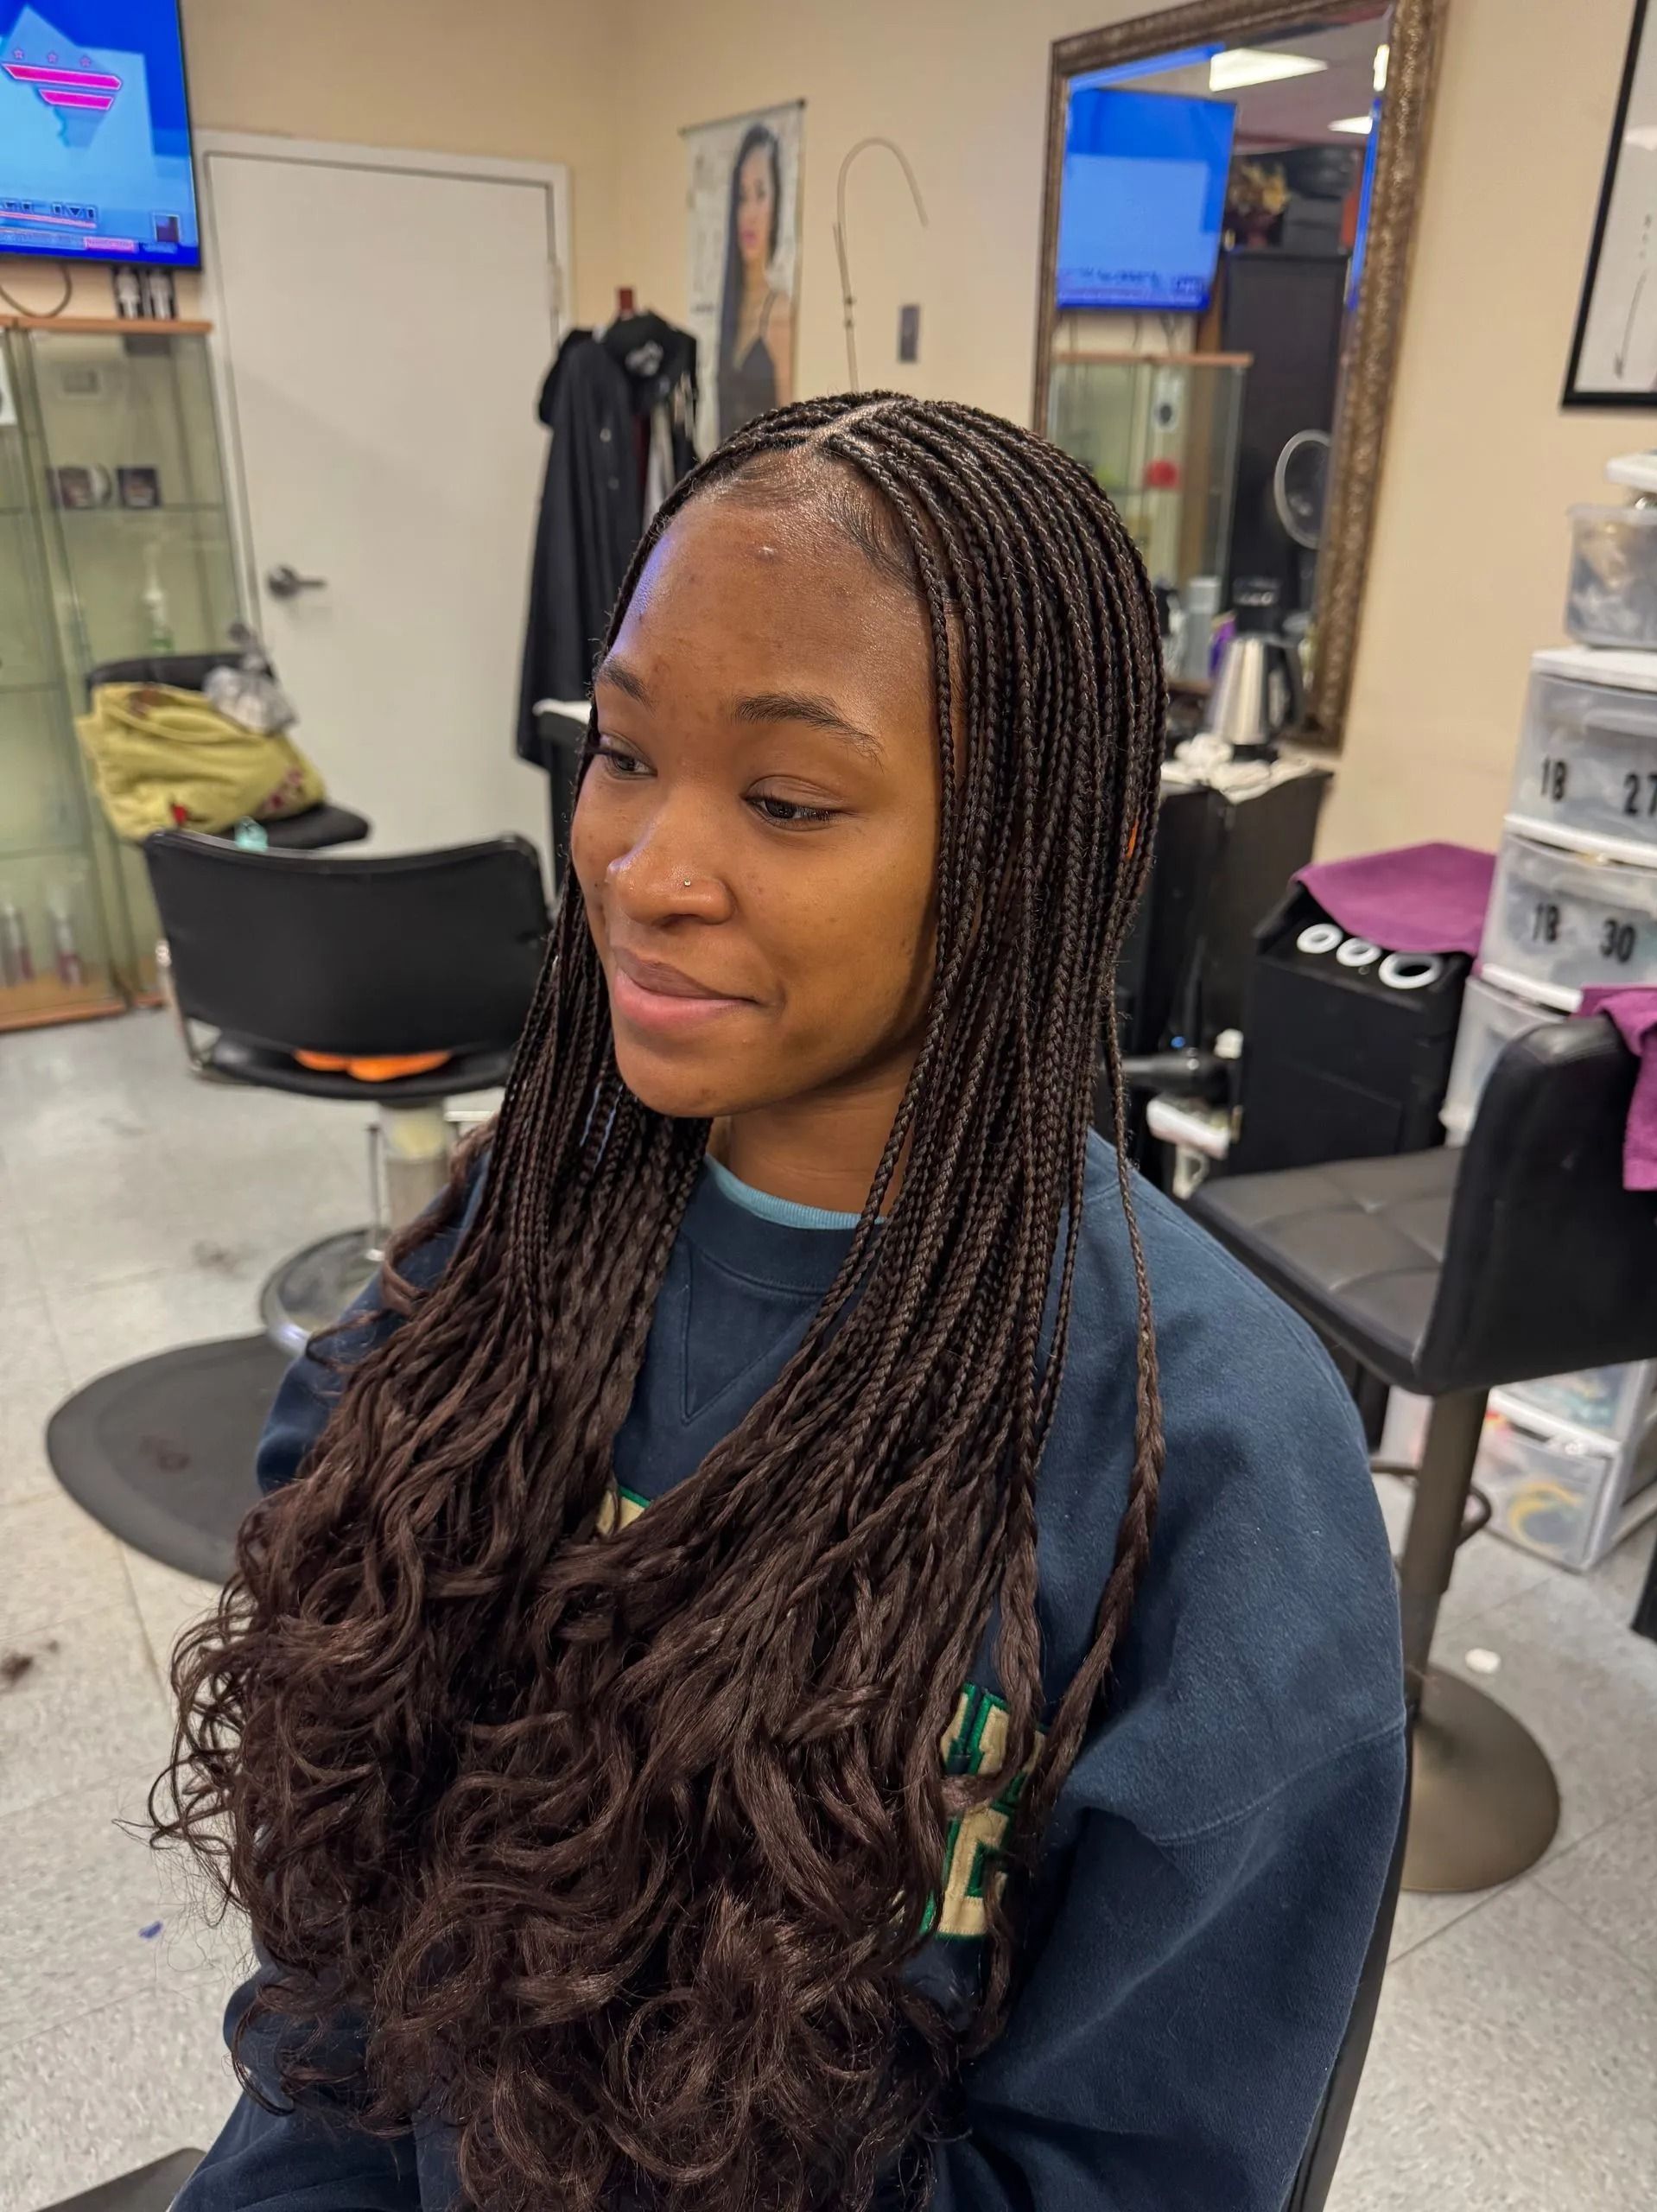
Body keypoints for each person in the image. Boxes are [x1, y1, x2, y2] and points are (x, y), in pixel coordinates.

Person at [159, 395, 1406, 2212]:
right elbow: (346, 1979)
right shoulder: (500, 1257)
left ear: (1050, 847)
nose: (645, 872)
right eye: (624, 752)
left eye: (789, 800)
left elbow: (1129, 2167)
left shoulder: (1215, 1467)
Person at [715, 123, 793, 436]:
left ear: (776, 204)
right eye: (742, 196)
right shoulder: (730, 310)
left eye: (760, 194)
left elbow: (792, 427)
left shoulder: (779, 310)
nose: (749, 213)